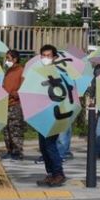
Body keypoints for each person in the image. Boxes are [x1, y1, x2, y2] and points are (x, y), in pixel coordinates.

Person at [35, 44, 65, 187]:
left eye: (48, 56)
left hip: (55, 113)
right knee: (43, 146)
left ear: (54, 57)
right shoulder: (38, 72)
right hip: (41, 113)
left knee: (50, 145)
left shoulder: (59, 72)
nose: (45, 58)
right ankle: (50, 173)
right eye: (43, 56)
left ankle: (58, 173)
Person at [1, 50, 26, 160]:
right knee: (6, 129)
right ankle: (9, 150)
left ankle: (17, 151)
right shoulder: (8, 71)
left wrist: (13, 93)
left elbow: (23, 88)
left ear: (15, 59)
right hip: (5, 103)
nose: (7, 61)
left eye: (8, 58)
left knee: (15, 128)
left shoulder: (21, 71)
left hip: (15, 104)